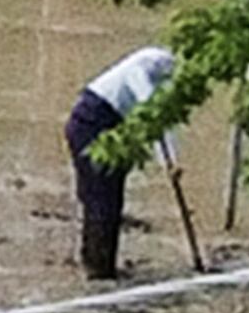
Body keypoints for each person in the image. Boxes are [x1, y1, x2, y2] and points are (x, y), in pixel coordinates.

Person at [62, 43, 177, 283]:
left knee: (110, 201)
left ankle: (98, 263)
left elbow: (166, 123)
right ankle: (98, 270)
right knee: (100, 201)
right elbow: (151, 112)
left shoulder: (161, 77)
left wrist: (171, 162)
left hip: (114, 127)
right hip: (90, 124)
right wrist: (167, 161)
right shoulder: (143, 68)